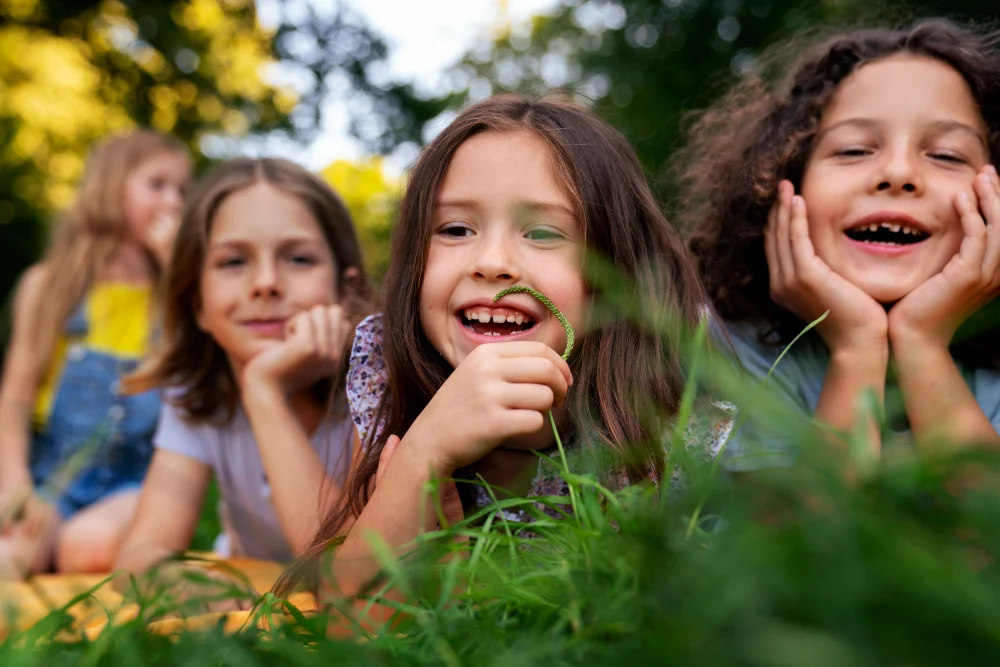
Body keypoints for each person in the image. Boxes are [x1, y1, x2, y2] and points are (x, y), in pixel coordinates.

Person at [294, 94, 734, 598]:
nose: (492, 261)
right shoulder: (391, 384)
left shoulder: (669, 425)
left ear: (619, 272)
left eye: (543, 232)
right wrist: (421, 456)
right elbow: (347, 625)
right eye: (456, 229)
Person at [678, 19, 1000, 472]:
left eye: (946, 155)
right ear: (781, 184)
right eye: (853, 150)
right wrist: (857, 347)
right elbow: (794, 543)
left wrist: (921, 342)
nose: (898, 173)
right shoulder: (722, 355)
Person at [113, 158, 371, 601]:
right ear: (198, 304)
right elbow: (139, 556)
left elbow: (341, 572)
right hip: (249, 591)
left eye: (298, 258)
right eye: (234, 262)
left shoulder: (375, 386)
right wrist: (186, 586)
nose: (266, 283)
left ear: (345, 292)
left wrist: (264, 392)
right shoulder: (196, 395)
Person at [0, 129, 190, 578]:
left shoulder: (178, 295)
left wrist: (179, 272)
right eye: (157, 185)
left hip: (136, 485)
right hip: (52, 479)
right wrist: (15, 483)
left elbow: (195, 377)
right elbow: (16, 398)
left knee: (89, 548)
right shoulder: (49, 285)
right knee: (9, 554)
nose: (174, 202)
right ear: (108, 187)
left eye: (182, 190)